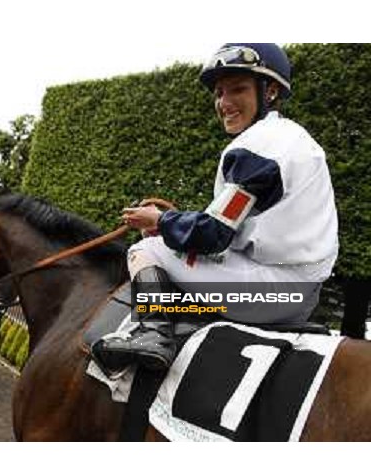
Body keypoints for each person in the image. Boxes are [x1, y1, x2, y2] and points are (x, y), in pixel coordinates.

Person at [93, 44, 339, 373]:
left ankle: (153, 334)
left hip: (269, 293)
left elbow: (214, 234)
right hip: (299, 296)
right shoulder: (295, 139)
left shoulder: (260, 145)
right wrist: (171, 226)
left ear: (271, 91)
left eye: (238, 89)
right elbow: (233, 227)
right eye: (219, 93)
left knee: (145, 250)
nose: (224, 103)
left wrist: (162, 221)